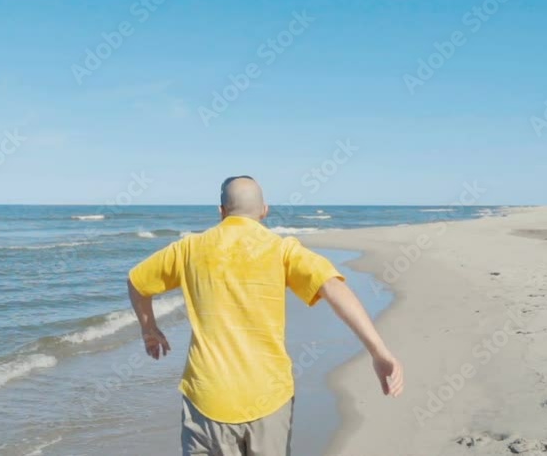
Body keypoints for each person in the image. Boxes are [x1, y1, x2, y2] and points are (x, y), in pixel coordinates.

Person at [126, 175, 404, 456]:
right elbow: (333, 286)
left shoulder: (188, 249)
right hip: (269, 396)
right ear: (264, 210)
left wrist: (149, 329)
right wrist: (378, 351)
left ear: (221, 211)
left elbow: (137, 282)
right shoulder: (281, 249)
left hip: (208, 398)